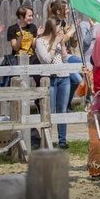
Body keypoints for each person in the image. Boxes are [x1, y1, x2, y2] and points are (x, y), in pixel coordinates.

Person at [35, 17, 71, 149]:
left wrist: (62, 45)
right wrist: (55, 42)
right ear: (52, 27)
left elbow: (65, 59)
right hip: (49, 78)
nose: (61, 29)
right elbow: (46, 59)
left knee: (63, 109)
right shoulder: (40, 41)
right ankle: (47, 140)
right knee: (48, 110)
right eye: (59, 27)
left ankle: (62, 140)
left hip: (63, 77)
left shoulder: (59, 41)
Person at [48, 0, 83, 111]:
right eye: (66, 9)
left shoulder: (65, 24)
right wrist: (70, 32)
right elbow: (59, 40)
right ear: (59, 11)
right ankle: (66, 103)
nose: (68, 11)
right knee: (77, 78)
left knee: (83, 65)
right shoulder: (53, 23)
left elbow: (73, 44)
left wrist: (75, 33)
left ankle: (66, 103)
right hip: (59, 57)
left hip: (67, 55)